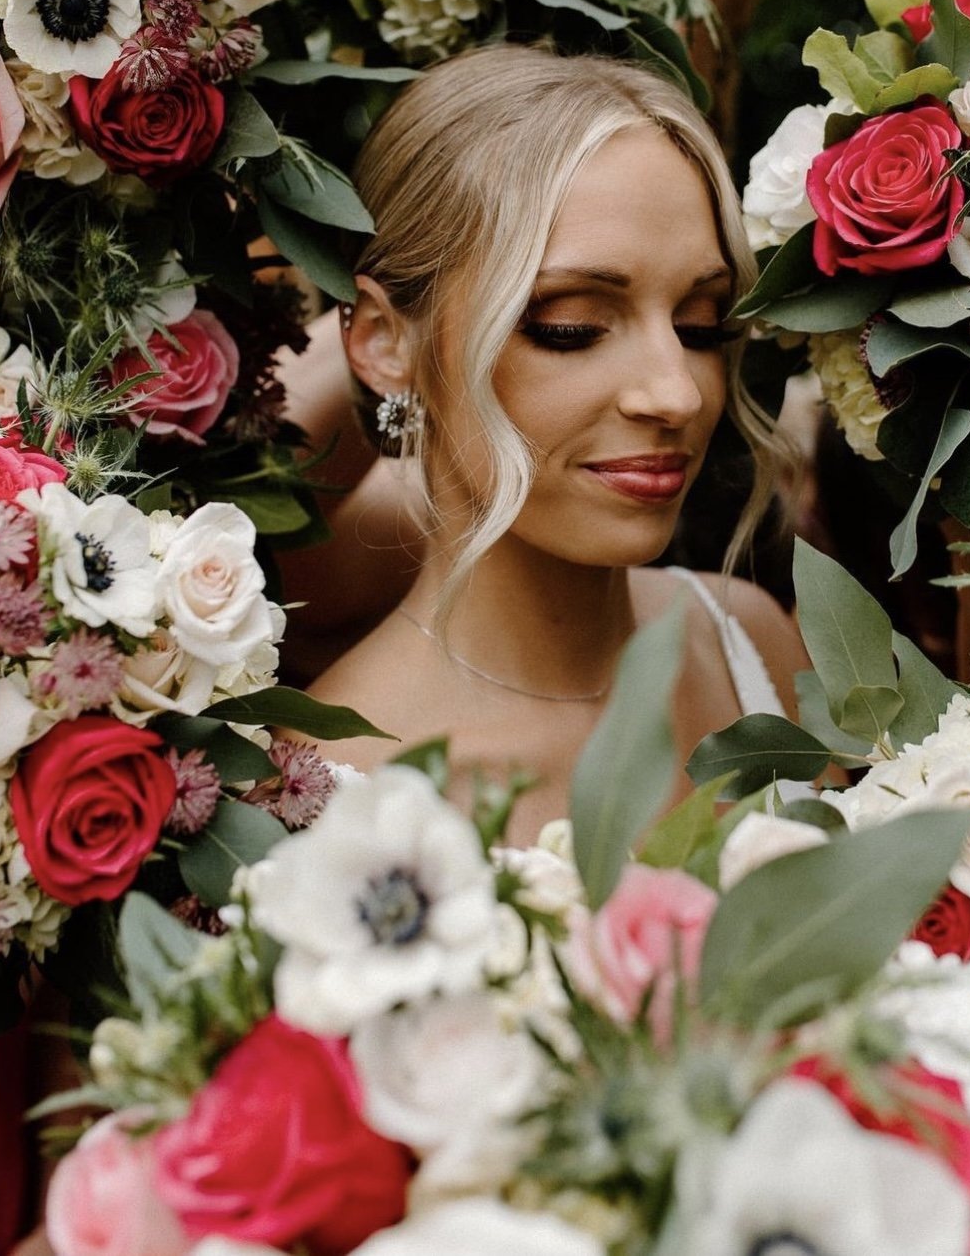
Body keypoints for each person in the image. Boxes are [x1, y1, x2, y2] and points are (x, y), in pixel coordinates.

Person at [305, 44, 806, 841]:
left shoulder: (752, 644)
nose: (675, 392)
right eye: (571, 327)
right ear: (382, 341)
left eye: (700, 325)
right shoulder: (326, 794)